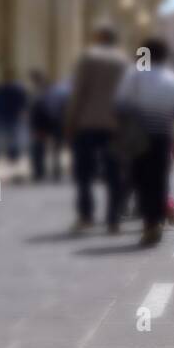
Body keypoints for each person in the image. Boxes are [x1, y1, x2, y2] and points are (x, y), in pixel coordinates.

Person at [115, 37, 174, 246]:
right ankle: (155, 221)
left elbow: (121, 107)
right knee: (159, 180)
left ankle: (150, 222)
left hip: (138, 137)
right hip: (163, 136)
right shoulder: (173, 80)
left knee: (140, 179)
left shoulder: (134, 75)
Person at [65, 26, 128, 233]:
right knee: (114, 173)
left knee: (83, 172)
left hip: (87, 123)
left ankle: (86, 216)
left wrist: (71, 121)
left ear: (98, 38)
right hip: (116, 125)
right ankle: (113, 218)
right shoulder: (123, 61)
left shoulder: (89, 57)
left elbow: (79, 91)